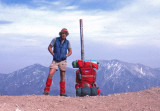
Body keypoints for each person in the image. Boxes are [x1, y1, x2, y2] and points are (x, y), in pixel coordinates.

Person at [43, 28, 72, 96]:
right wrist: (53, 54)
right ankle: (46, 91)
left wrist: (66, 55)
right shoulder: (55, 39)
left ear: (66, 34)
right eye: (62, 33)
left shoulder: (67, 42)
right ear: (61, 34)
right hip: (55, 60)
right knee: (50, 73)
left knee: (62, 76)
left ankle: (62, 92)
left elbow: (70, 51)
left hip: (63, 60)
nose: (63, 34)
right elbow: (49, 47)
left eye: (65, 33)